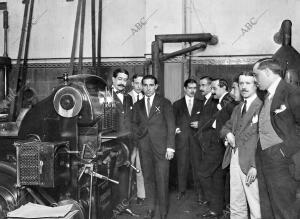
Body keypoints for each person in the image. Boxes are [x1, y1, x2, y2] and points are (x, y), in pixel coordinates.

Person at [253, 58, 300, 219]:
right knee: (267, 208)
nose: (254, 79)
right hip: (265, 158)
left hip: (282, 161)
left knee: (284, 209)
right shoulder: (267, 96)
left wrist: (284, 151)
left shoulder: (291, 91)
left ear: (267, 72)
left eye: (256, 75)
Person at [132, 75, 175, 219]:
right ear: (141, 87)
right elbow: (133, 124)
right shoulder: (137, 105)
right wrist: (139, 137)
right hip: (145, 147)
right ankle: (151, 208)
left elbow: (171, 125)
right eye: (145, 85)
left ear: (156, 86)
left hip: (162, 149)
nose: (148, 88)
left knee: (162, 180)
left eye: (151, 85)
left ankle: (163, 212)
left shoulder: (164, 102)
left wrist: (170, 147)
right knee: (148, 179)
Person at [220, 71, 262, 219]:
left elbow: (264, 141)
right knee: (236, 205)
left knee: (256, 208)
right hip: (234, 158)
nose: (244, 87)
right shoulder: (238, 108)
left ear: (256, 85)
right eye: (241, 83)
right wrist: (228, 134)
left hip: (251, 163)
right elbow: (225, 127)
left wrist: (255, 165)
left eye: (248, 83)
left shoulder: (262, 107)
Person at [198, 78, 237, 218]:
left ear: (223, 87)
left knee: (203, 173)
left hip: (220, 145)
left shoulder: (229, 102)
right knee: (217, 178)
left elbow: (233, 123)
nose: (212, 91)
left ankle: (215, 205)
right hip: (217, 143)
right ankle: (216, 209)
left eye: (214, 88)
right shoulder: (220, 101)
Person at [111, 68, 137, 217]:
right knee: (112, 176)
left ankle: (122, 205)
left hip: (127, 142)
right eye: (119, 79)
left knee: (125, 175)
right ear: (113, 80)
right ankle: (113, 208)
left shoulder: (128, 98)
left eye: (125, 79)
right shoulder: (105, 96)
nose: (122, 82)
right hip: (113, 143)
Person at [173, 79, 203, 201]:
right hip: (182, 141)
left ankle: (199, 193)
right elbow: (172, 122)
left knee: (198, 167)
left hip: (197, 142)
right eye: (190, 88)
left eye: (195, 88)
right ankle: (181, 191)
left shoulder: (201, 103)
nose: (192, 90)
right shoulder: (176, 104)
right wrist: (175, 129)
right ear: (185, 89)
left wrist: (200, 123)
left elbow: (206, 120)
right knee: (181, 167)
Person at [128, 74, 146, 205]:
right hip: (127, 140)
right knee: (128, 167)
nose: (139, 86)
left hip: (142, 139)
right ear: (132, 84)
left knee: (140, 168)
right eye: (137, 83)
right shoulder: (126, 97)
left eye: (142, 83)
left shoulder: (148, 98)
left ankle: (141, 194)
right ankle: (126, 195)